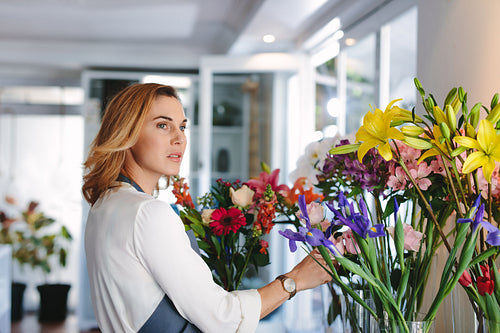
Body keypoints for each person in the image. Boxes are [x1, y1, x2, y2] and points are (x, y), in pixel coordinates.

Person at [82, 83, 332, 333]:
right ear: (127, 133)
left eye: (182, 126)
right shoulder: (148, 213)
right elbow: (222, 318)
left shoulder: (104, 205)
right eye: (162, 125)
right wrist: (295, 280)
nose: (179, 138)